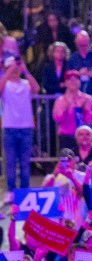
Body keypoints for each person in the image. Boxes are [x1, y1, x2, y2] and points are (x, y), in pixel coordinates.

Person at [0, 54, 39, 191]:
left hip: (26, 128)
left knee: (25, 162)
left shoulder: (26, 84)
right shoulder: (5, 84)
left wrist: (25, 70)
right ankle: (11, 190)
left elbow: (36, 88)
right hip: (9, 128)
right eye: (11, 67)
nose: (14, 69)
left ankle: (24, 190)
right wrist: (8, 71)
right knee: (10, 162)